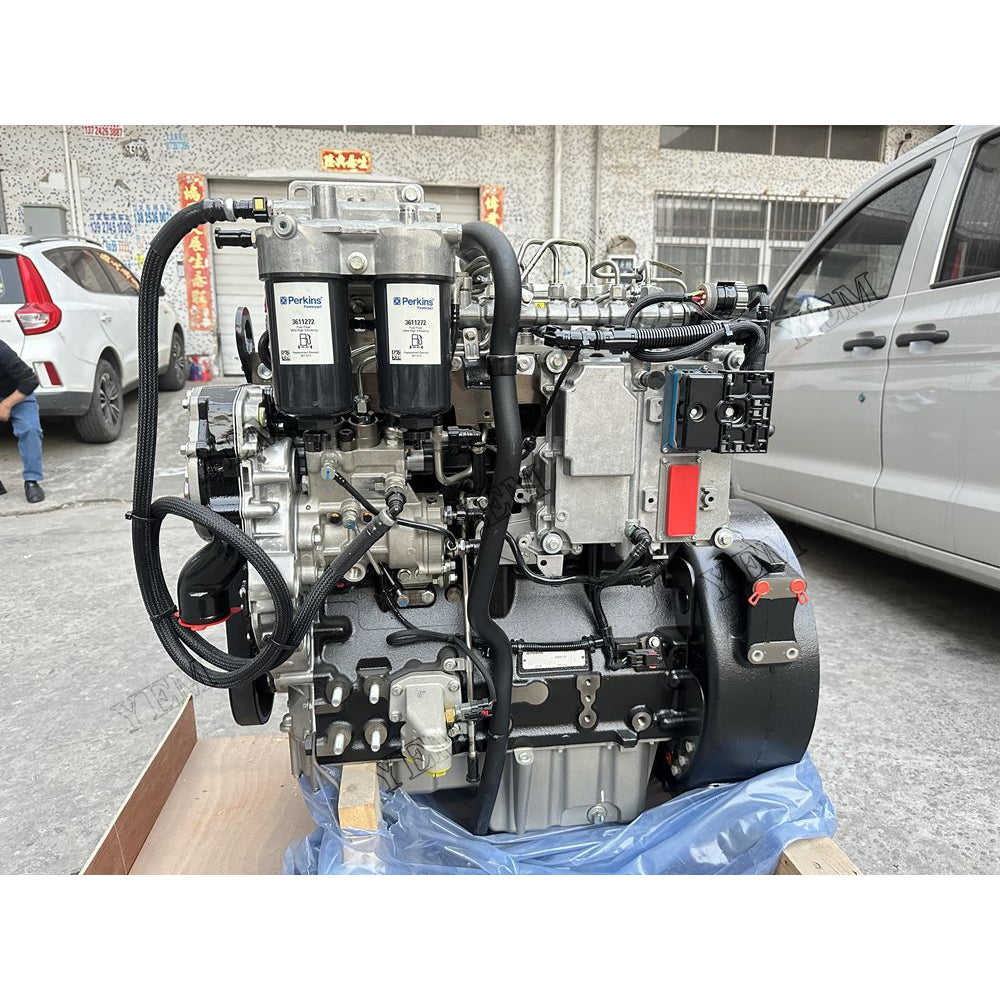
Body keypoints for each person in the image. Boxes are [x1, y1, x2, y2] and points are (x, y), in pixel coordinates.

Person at [0, 338, 45, 503]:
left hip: (18, 394)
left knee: (30, 429)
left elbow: (30, 380)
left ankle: (32, 481)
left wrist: (6, 404)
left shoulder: (2, 351)